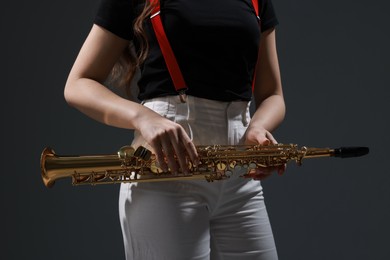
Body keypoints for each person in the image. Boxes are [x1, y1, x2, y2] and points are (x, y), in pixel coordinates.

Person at [64, 0, 285, 259]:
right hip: (166, 169)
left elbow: (273, 95)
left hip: (240, 178)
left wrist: (257, 128)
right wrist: (142, 117)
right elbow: (77, 84)